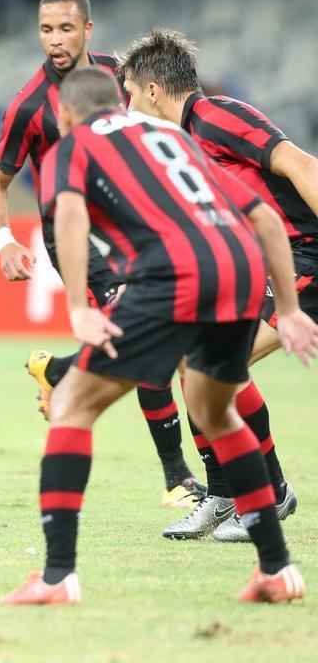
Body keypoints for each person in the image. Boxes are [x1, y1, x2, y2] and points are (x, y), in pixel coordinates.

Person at [2, 66, 317, 606]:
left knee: (72, 404)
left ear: (66, 115)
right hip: (241, 267)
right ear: (119, 105)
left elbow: (69, 218)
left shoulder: (70, 147)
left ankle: (56, 578)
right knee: (216, 411)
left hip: (174, 273)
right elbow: (263, 214)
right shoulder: (174, 137)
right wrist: (287, 309)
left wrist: (78, 306)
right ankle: (278, 569)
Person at [0, 0, 202, 508]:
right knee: (146, 339)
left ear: (87, 30)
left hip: (133, 225)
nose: (54, 40)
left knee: (143, 337)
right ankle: (177, 478)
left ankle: (56, 371)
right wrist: (3, 240)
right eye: (45, 29)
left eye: (64, 28)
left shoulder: (116, 76)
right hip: (77, 237)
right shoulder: (30, 105)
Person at [119, 29, 313, 541]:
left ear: (154, 90)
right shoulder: (177, 144)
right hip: (265, 265)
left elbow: (302, 165)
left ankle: (261, 494)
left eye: (131, 93)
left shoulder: (218, 117)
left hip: (304, 255)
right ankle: (232, 494)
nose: (129, 105)